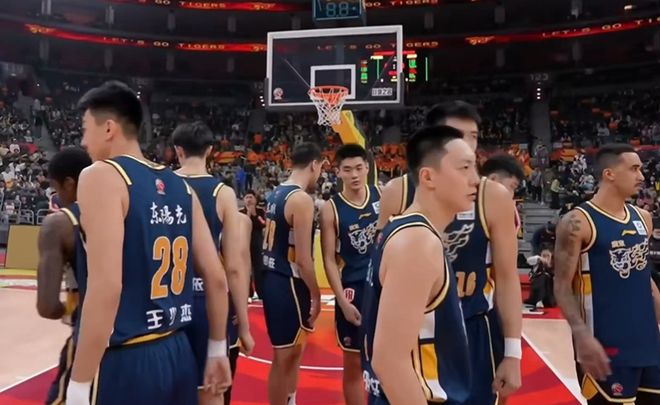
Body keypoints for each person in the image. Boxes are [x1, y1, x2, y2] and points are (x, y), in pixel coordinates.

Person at [66, 81, 231, 405]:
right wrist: (216, 350)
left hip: (128, 359)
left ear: (109, 128)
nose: (83, 141)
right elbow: (216, 278)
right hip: (178, 351)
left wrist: (79, 384)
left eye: (85, 129)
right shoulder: (180, 186)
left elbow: (107, 287)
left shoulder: (101, 176)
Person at [378, 101, 523, 405]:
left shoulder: (493, 196)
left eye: (473, 136)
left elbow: (508, 277)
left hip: (473, 327)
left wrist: (512, 352)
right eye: (458, 135)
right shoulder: (397, 193)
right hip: (415, 333)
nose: (467, 144)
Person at [361, 125, 478, 404]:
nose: (475, 179)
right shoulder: (418, 242)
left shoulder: (404, 229)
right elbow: (389, 362)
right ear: (428, 177)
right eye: (464, 168)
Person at [554, 143, 660, 405]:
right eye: (634, 169)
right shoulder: (577, 222)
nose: (641, 176)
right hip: (605, 346)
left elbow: (644, 278)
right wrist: (581, 336)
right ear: (609, 174)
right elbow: (562, 286)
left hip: (648, 342)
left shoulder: (643, 218)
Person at [172, 121, 254, 405]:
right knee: (211, 391)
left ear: (177, 151)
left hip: (166, 300)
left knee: (167, 390)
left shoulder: (161, 186)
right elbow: (234, 266)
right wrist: (244, 325)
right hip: (206, 301)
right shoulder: (223, 193)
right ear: (210, 151)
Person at [261, 142, 323, 405]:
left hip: (272, 277)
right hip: (287, 281)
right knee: (284, 356)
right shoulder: (300, 199)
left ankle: (291, 399)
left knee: (293, 351)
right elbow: (304, 260)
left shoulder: (276, 192)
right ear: (315, 165)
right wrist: (317, 295)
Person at [319, 144, 380, 405]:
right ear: (338, 172)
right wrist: (342, 302)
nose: (354, 174)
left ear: (367, 168)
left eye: (358, 168)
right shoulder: (330, 208)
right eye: (347, 169)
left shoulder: (382, 195)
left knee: (390, 357)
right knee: (354, 362)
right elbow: (329, 259)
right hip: (354, 288)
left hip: (383, 286)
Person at [36, 147, 92, 405]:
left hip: (91, 335)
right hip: (144, 335)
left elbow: (47, 307)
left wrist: (68, 309)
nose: (57, 196)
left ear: (70, 184)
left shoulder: (59, 224)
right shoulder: (125, 209)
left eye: (57, 189)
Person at [240, 190, 266, 299]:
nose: (249, 200)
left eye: (251, 197)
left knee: (259, 267)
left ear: (255, 199)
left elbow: (263, 224)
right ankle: (248, 292)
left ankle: (261, 292)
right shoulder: (240, 212)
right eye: (247, 197)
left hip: (257, 241)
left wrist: (254, 214)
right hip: (245, 242)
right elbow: (241, 226)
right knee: (246, 268)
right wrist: (248, 214)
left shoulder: (260, 211)